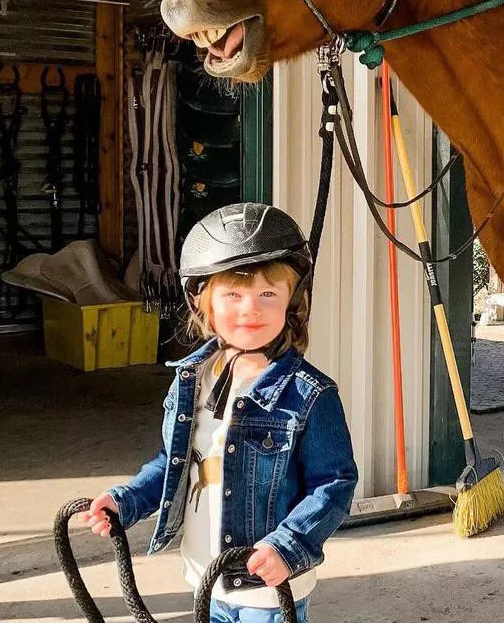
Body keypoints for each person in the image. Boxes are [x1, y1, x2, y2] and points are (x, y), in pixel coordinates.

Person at [80, 203, 358, 623]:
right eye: (233, 294)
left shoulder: (310, 394)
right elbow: (174, 461)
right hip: (204, 579)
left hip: (267, 590)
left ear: (293, 303)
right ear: (204, 304)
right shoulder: (192, 378)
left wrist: (288, 546)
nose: (251, 308)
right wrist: (127, 501)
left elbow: (334, 484)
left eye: (268, 294)